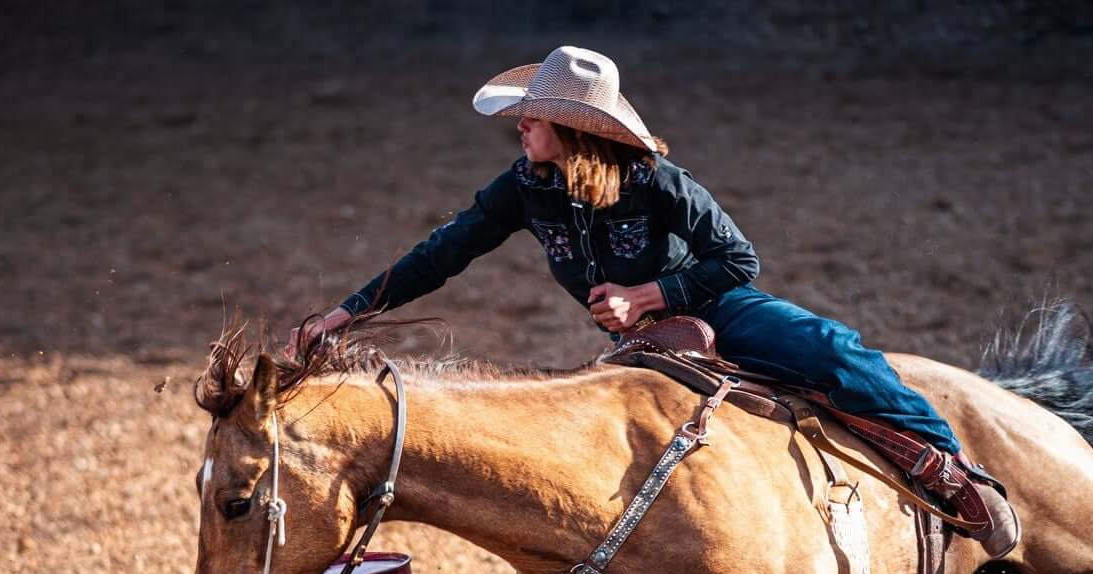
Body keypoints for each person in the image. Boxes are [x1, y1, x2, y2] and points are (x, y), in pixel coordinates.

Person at [293, 45, 1001, 532]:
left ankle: (956, 470)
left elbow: (736, 259)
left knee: (833, 352)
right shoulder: (524, 188)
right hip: (635, 342)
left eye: (533, 116)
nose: (520, 124)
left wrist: (647, 296)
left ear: (572, 128)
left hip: (709, 308)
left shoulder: (656, 182)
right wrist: (346, 314)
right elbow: (440, 253)